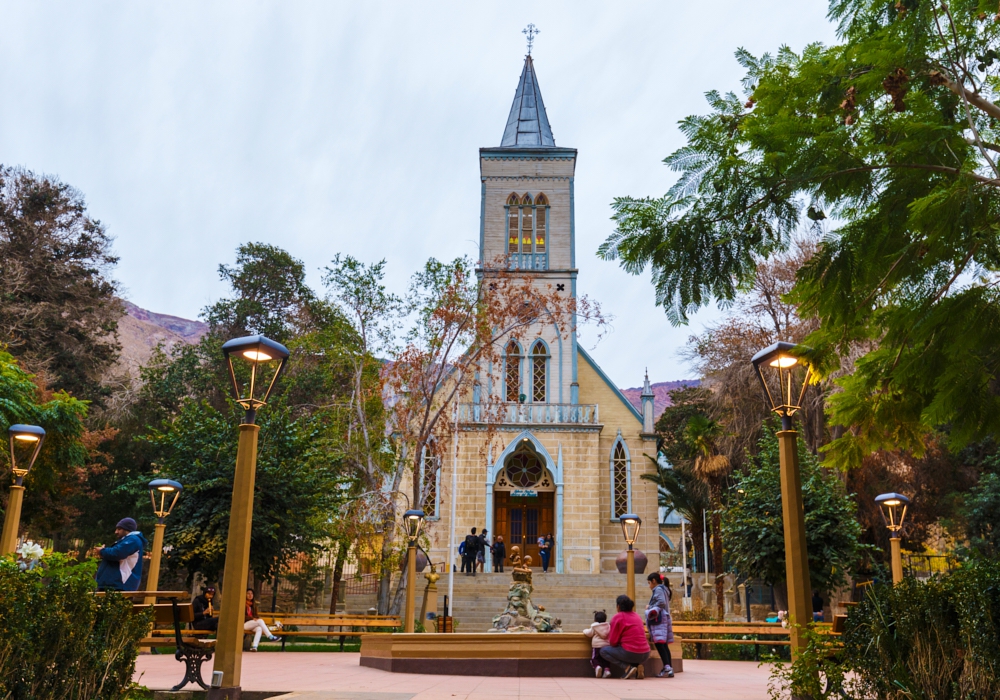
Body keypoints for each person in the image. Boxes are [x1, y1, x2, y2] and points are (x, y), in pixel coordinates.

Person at [599, 594, 651, 679]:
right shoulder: (637, 615)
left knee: (603, 651)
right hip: (646, 654)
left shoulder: (617, 617)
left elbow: (613, 642)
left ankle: (627, 667)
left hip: (631, 653)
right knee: (632, 649)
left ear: (618, 606)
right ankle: (637, 667)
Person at [96, 517, 149, 592]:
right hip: (113, 584)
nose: (116, 532)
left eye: (119, 529)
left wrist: (102, 551)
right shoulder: (126, 540)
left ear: (127, 529)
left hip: (120, 585)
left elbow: (117, 553)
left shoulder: (133, 540)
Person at [645, 572, 675, 678]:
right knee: (664, 645)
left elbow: (661, 602)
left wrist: (650, 607)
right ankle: (669, 667)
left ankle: (667, 667)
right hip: (664, 618)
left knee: (660, 644)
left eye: (649, 583)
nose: (649, 586)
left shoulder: (658, 589)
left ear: (654, 581)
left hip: (659, 620)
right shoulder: (664, 589)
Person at [583, 610, 612, 678]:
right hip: (606, 646)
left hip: (596, 646)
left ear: (595, 619)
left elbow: (589, 634)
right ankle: (607, 670)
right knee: (606, 659)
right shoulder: (608, 626)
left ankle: (597, 667)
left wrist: (584, 630)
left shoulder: (594, 627)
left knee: (595, 659)